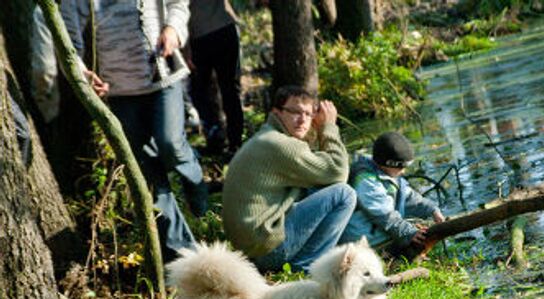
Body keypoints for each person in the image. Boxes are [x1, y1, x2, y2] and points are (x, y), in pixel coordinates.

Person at [60, 0, 208, 260]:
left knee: (170, 143)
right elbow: (67, 37)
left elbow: (177, 4)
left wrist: (173, 28)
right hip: (120, 91)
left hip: (163, 78)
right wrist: (83, 74)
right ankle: (182, 251)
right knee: (147, 171)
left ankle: (195, 181)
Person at [222, 85, 354, 273]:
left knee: (316, 187)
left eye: (309, 114)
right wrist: (328, 127)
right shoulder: (282, 146)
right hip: (267, 251)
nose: (302, 120)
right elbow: (338, 171)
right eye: (295, 112)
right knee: (344, 194)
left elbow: (319, 175)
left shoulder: (266, 138)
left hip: (252, 250)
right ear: (276, 112)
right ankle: (307, 267)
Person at [340, 131, 445, 251]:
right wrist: (407, 232)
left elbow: (409, 198)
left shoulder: (389, 174)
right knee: (414, 239)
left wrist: (432, 209)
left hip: (380, 233)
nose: (403, 171)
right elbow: (383, 214)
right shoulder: (365, 180)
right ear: (386, 164)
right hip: (364, 241)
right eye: (401, 167)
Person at [188, 0, 244, 154]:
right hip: (203, 33)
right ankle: (223, 139)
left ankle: (233, 142)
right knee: (205, 91)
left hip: (217, 28)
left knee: (226, 89)